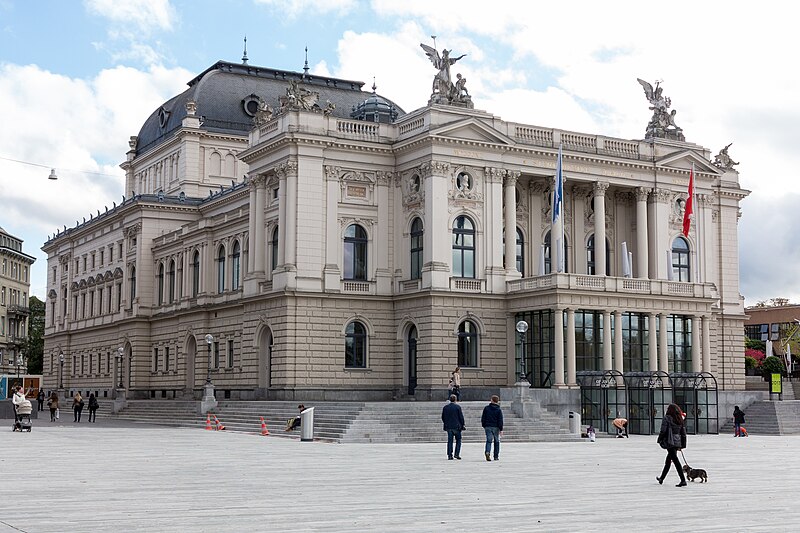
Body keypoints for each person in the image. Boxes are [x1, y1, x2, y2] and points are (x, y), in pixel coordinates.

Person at [656, 403, 688, 487]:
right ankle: (661, 478)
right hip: (677, 441)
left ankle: (683, 480)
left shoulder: (667, 418)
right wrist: (682, 444)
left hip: (669, 441)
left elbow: (663, 430)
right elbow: (683, 432)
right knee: (668, 460)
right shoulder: (679, 419)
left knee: (675, 460)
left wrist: (660, 439)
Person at [441, 394, 465, 460]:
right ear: (455, 400)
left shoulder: (445, 407)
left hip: (449, 426)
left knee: (450, 441)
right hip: (457, 426)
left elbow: (443, 417)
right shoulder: (458, 407)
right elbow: (461, 417)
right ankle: (456, 454)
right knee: (458, 440)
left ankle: (449, 455)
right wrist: (462, 424)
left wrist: (446, 423)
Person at [481, 395, 504, 461]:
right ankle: (496, 456)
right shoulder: (498, 410)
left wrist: (484, 425)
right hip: (496, 427)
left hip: (488, 426)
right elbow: (500, 420)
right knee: (496, 441)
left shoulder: (486, 408)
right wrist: (501, 429)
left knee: (489, 440)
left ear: (492, 400)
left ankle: (487, 452)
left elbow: (483, 418)